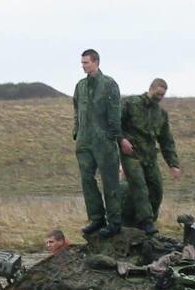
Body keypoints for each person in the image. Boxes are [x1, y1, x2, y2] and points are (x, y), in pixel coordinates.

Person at [119, 78, 182, 235]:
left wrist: (173, 164)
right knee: (139, 186)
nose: (159, 97)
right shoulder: (130, 103)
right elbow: (113, 123)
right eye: (158, 93)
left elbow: (166, 140)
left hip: (150, 157)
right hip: (131, 154)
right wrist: (121, 140)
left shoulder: (161, 114)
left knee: (156, 189)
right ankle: (146, 222)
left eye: (163, 95)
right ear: (151, 88)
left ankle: (147, 221)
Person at [73, 49, 122, 238]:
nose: (83, 66)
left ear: (96, 62)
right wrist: (76, 130)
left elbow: (115, 112)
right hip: (85, 140)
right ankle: (97, 218)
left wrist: (112, 135)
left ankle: (114, 222)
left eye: (86, 62)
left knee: (110, 181)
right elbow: (76, 109)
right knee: (87, 180)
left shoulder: (109, 84)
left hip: (104, 141)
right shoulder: (80, 86)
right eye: (82, 62)